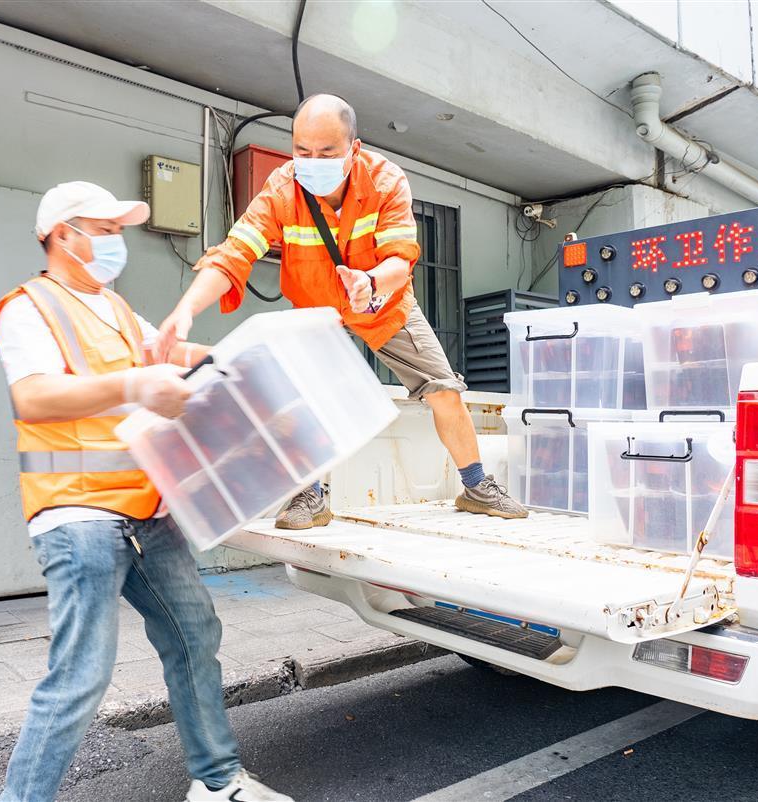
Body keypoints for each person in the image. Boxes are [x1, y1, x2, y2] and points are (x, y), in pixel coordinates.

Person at [0, 181, 292, 802]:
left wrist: (250, 355)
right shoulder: (28, 307)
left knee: (194, 635)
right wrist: (136, 387)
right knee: (80, 676)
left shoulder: (118, 310)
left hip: (146, 514)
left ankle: (218, 783)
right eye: (104, 229)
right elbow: (34, 397)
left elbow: (172, 357)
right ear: (62, 235)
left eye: (118, 230)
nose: (115, 242)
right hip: (79, 517)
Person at [156, 94, 529, 529]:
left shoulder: (385, 181)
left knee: (443, 388)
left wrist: (371, 282)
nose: (312, 161)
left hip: (381, 303)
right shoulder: (282, 187)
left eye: (326, 152)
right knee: (294, 396)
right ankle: (309, 496)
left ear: (353, 148)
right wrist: (185, 310)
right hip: (315, 309)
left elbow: (400, 255)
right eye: (302, 151)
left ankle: (476, 485)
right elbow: (234, 252)